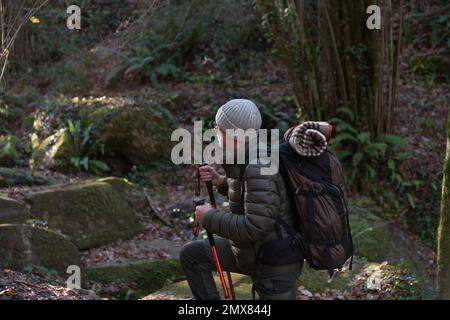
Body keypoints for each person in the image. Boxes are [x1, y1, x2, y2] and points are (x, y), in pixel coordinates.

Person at [179, 99, 302, 300]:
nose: (215, 130)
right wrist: (221, 183)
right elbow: (256, 198)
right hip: (252, 252)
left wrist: (209, 217)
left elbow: (254, 226)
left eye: (217, 126)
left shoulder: (258, 166)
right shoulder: (247, 156)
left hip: (274, 262)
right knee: (192, 255)